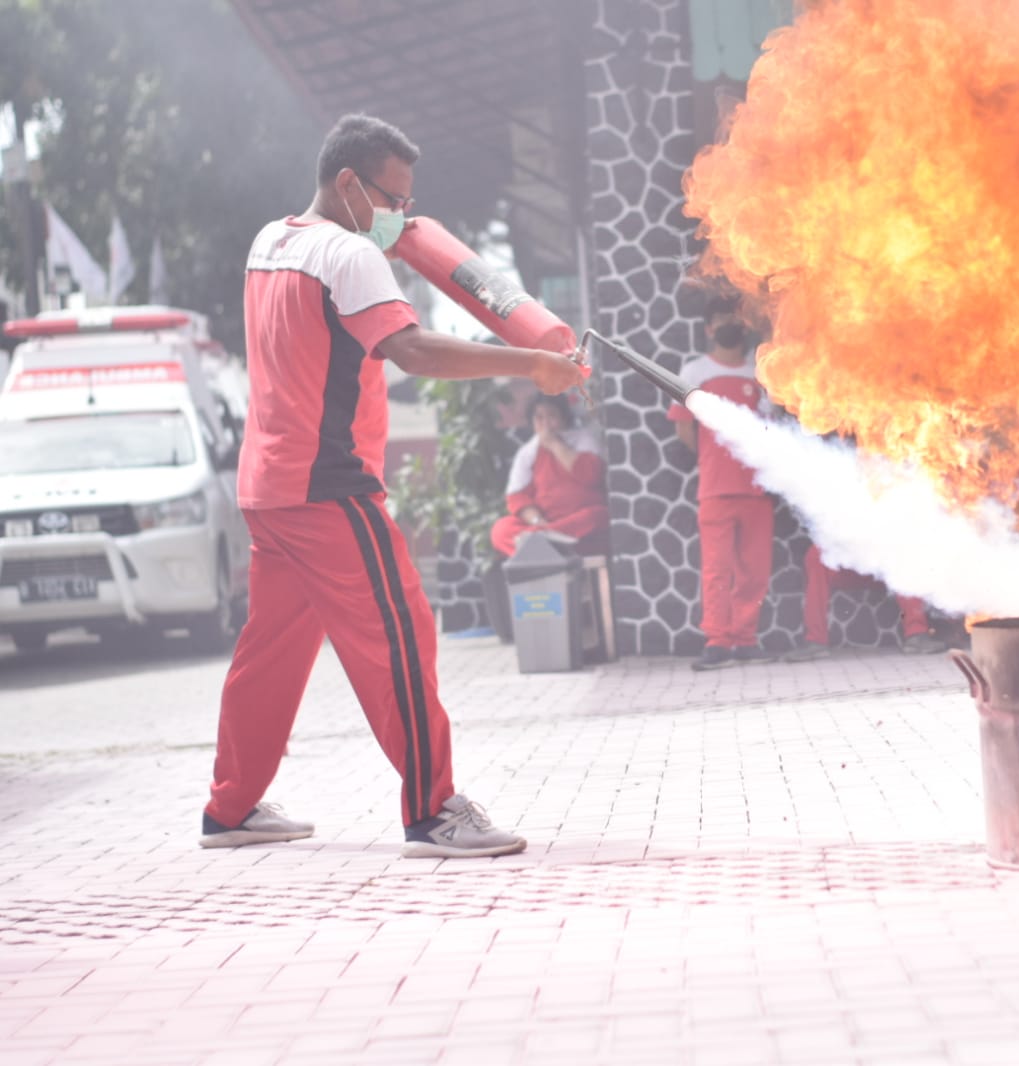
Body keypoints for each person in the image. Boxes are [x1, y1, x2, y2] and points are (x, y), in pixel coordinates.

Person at [201, 114, 586, 858]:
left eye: (408, 204)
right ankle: (433, 810)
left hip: (268, 486)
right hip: (329, 487)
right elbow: (409, 351)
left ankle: (231, 807)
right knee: (402, 637)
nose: (400, 218)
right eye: (391, 199)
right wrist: (529, 362)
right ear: (347, 183)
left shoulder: (271, 241)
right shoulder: (348, 255)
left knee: (270, 652)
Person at [668, 295, 776, 671]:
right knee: (717, 569)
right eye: (721, 319)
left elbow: (769, 426)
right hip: (714, 488)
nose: (729, 323)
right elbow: (683, 425)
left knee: (754, 570)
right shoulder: (694, 370)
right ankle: (718, 641)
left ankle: (745, 639)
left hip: (757, 490)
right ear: (708, 329)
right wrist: (714, 458)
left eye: (735, 317)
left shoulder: (759, 373)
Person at [491, 394, 609, 558]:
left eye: (551, 416)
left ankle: (543, 546)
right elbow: (517, 498)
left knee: (598, 516)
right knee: (501, 529)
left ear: (564, 418)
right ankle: (548, 543)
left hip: (580, 526)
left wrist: (555, 444)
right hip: (544, 523)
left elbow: (592, 475)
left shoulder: (583, 439)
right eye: (539, 417)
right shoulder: (527, 453)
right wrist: (538, 522)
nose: (545, 423)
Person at [784, 545, 947, 660]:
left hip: (885, 562)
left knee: (903, 549)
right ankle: (815, 641)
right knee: (816, 555)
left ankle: (916, 634)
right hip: (850, 563)